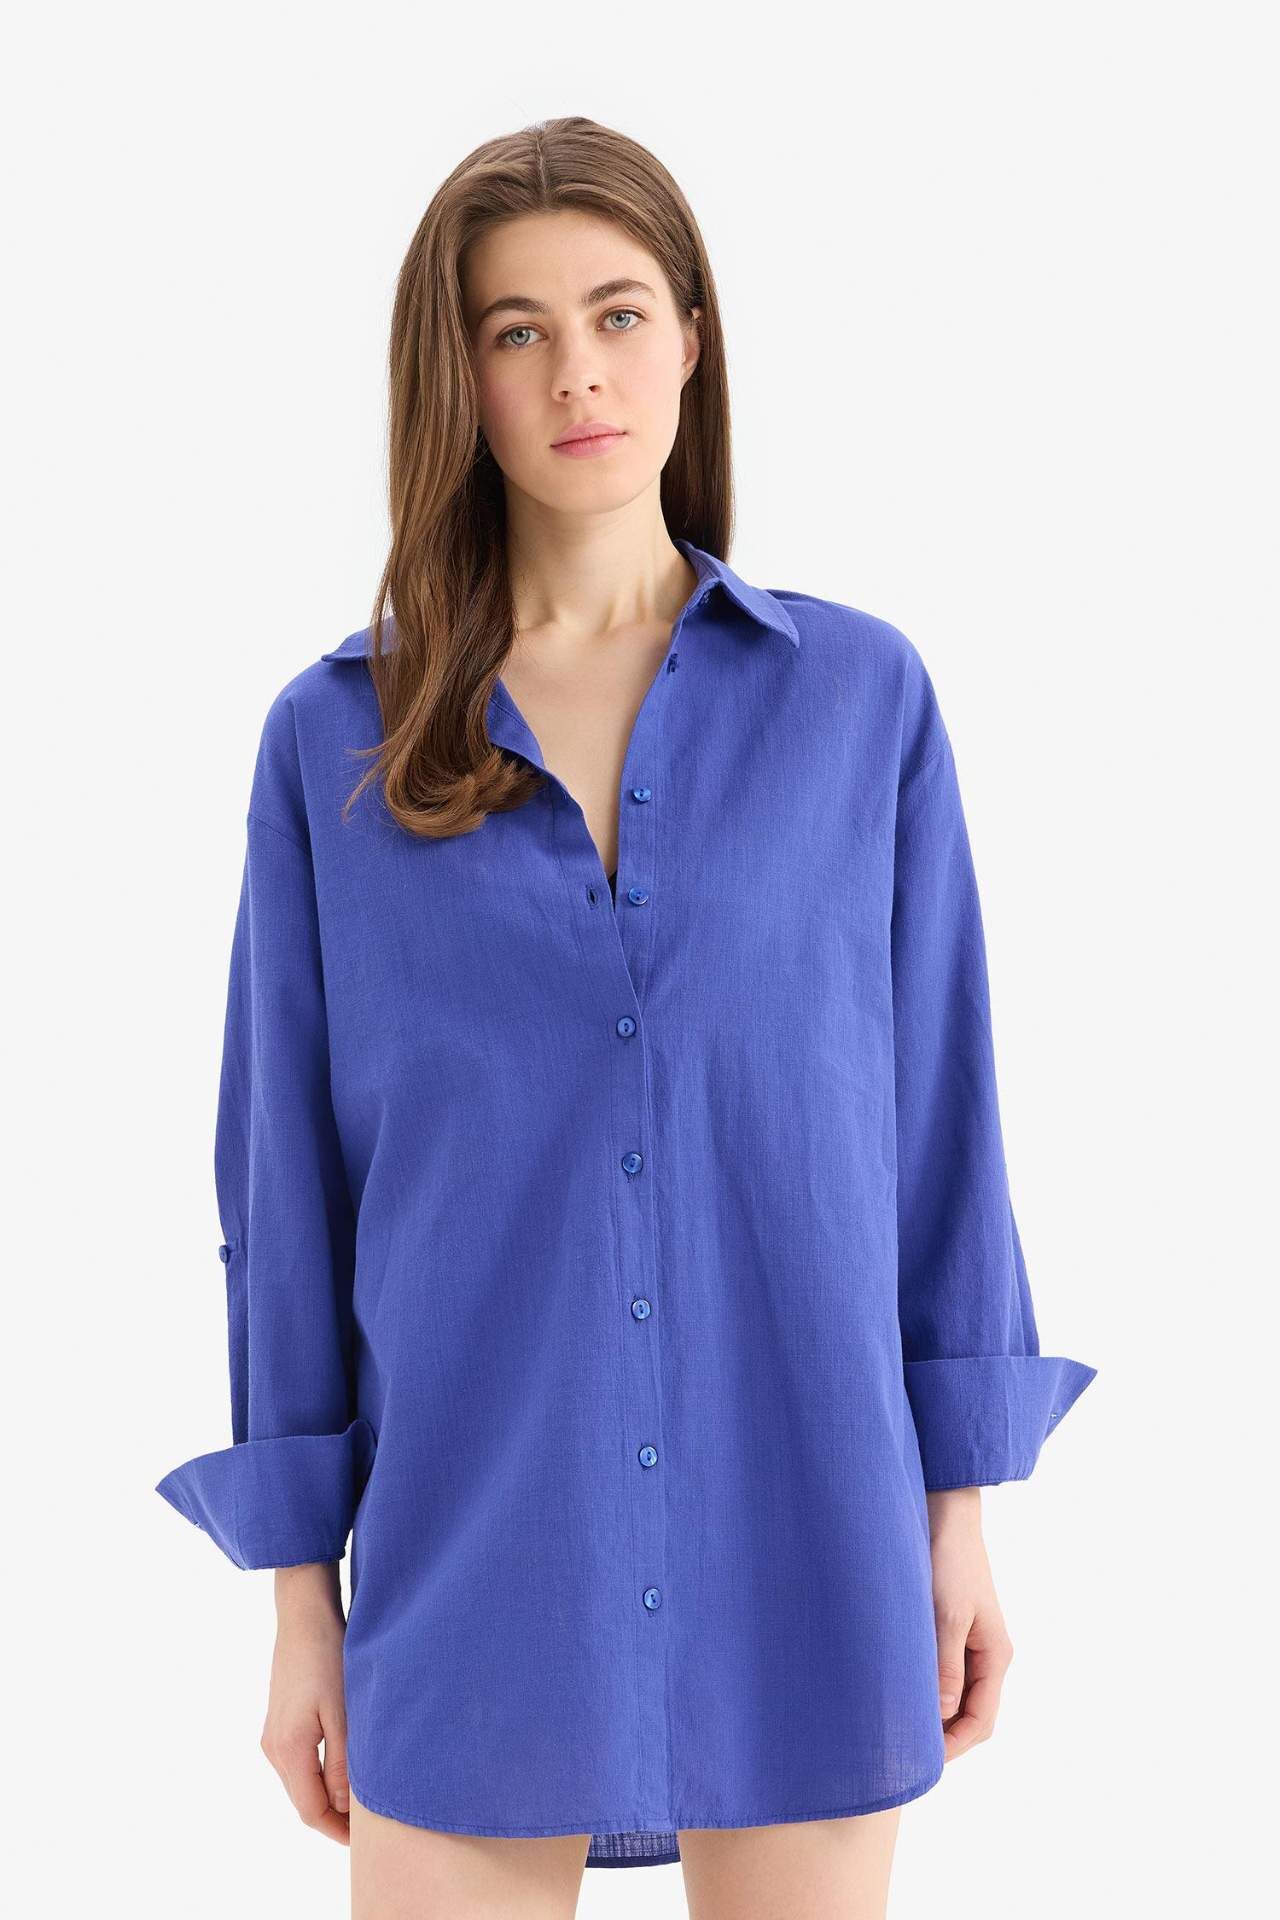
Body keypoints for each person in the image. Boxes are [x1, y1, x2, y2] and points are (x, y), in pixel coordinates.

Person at [154, 116, 1098, 1920]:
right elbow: (284, 1195)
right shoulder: (334, 743)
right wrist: (299, 1605)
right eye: (515, 331)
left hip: (811, 1530)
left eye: (617, 313)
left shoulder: (861, 703)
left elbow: (937, 1137)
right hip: (472, 1555)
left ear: (691, 340)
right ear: (458, 384)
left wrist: (960, 1513)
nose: (577, 372)